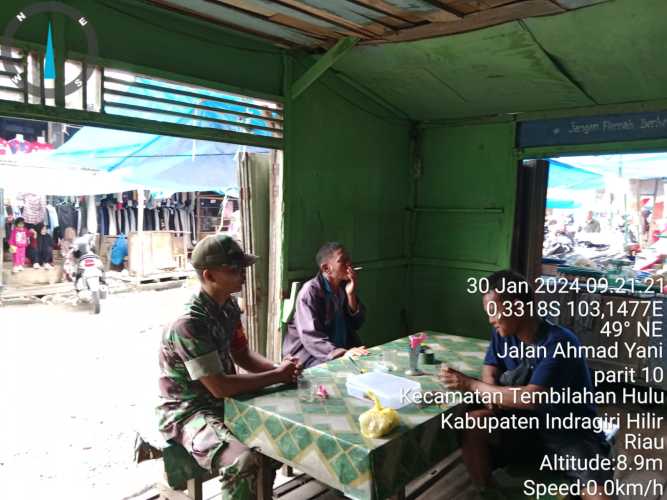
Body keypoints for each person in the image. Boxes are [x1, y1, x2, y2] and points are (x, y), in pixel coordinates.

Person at [440, 270, 612, 500]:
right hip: (526, 426)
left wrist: (471, 385)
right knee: (473, 423)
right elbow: (490, 366)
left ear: (518, 307)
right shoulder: (503, 333)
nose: (491, 320)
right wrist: (491, 393)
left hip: (569, 434)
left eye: (494, 311)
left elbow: (530, 399)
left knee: (598, 494)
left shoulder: (560, 342)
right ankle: (488, 492)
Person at [158, 234, 302, 499]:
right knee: (243, 460)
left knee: (277, 439)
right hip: (188, 411)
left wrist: (281, 369)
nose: (242, 275)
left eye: (242, 268)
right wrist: (276, 375)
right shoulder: (189, 324)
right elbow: (220, 386)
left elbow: (242, 354)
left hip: (223, 402)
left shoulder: (228, 308)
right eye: (233, 270)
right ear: (209, 276)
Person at [283, 242, 368, 368]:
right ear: (326, 268)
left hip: (339, 349)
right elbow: (311, 336)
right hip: (310, 355)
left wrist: (351, 294)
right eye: (342, 260)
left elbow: (357, 323)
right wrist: (341, 354)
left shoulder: (343, 286)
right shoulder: (310, 292)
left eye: (348, 259)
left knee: (366, 363)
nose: (349, 263)